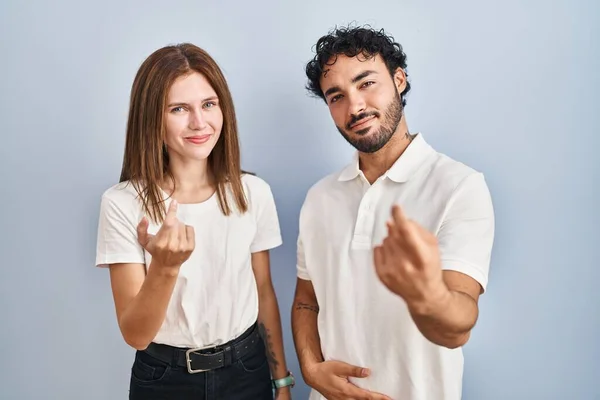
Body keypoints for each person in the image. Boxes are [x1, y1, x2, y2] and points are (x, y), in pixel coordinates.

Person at [291, 25, 495, 400]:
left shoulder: (459, 186)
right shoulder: (319, 198)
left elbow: (457, 326)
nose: (355, 107)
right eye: (336, 96)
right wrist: (310, 369)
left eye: (366, 83)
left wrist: (427, 295)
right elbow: (307, 300)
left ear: (399, 79)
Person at [95, 43, 295, 399]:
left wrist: (280, 381)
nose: (199, 122)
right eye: (178, 109)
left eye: (208, 104)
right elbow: (136, 335)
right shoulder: (121, 204)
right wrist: (165, 268)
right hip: (165, 379)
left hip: (248, 370)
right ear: (152, 119)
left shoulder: (253, 192)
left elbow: (263, 290)